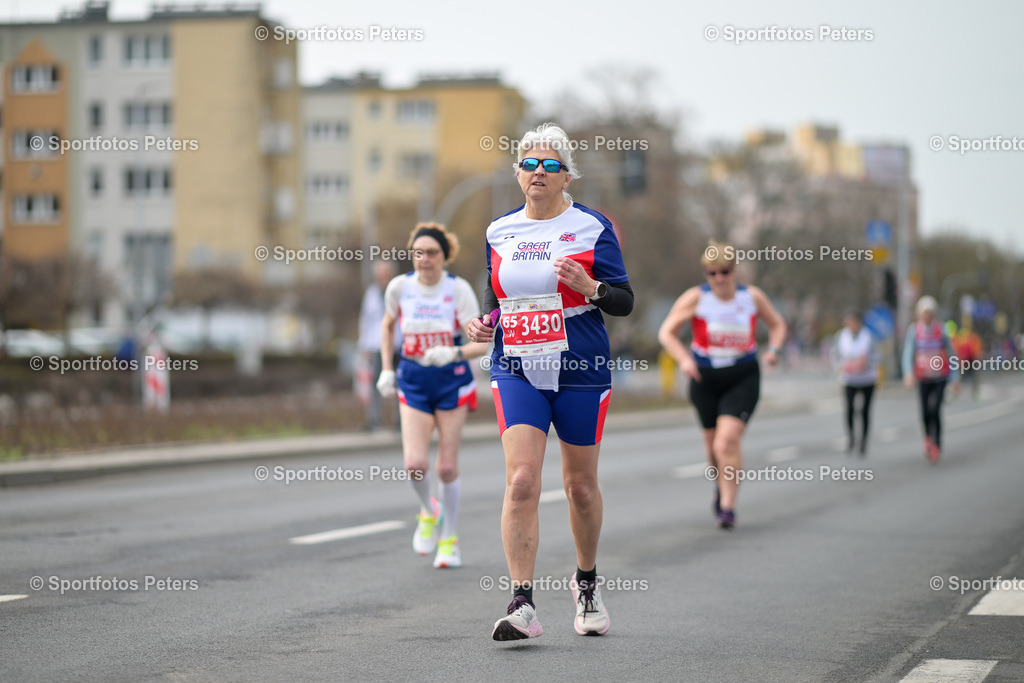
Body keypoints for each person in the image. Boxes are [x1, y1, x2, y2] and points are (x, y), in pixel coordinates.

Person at [466, 123, 633, 641]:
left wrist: (592, 286)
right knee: (520, 481)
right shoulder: (500, 231)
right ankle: (522, 604)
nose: (538, 173)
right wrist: (484, 323)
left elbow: (624, 302)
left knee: (579, 488)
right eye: (529, 164)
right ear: (517, 173)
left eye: (550, 165)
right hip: (516, 363)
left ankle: (586, 583)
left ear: (567, 177)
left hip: (579, 366)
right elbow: (497, 299)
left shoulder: (592, 227)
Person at [377, 223, 488, 569]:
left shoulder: (458, 291)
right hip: (413, 378)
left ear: (444, 256)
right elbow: (387, 325)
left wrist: (453, 354)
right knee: (414, 465)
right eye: (418, 253)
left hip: (450, 378)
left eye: (432, 253)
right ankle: (429, 511)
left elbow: (482, 341)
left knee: (447, 466)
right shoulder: (400, 287)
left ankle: (450, 539)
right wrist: (387, 368)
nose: (425, 260)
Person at [657, 241, 787, 530]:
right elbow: (666, 332)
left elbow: (777, 324)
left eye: (724, 272)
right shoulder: (696, 298)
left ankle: (728, 506)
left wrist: (774, 351)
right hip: (704, 377)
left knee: (726, 442)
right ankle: (721, 485)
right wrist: (684, 360)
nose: (719, 279)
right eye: (711, 273)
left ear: (734, 271)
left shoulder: (751, 297)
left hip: (742, 375)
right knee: (712, 450)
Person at [902, 295, 959, 463]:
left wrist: (955, 378)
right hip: (923, 376)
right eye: (923, 313)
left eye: (929, 313)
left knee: (935, 409)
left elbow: (952, 354)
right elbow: (908, 353)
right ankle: (928, 438)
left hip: (940, 376)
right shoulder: (914, 331)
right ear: (919, 314)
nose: (926, 316)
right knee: (925, 411)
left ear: (933, 314)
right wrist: (908, 373)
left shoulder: (941, 330)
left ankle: (937, 444)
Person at [832, 311, 881, 455]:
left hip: (867, 379)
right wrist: (838, 366)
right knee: (849, 410)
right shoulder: (841, 336)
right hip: (849, 379)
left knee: (865, 411)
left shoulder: (869, 337)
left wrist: (867, 362)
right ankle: (851, 438)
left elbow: (878, 355)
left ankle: (864, 441)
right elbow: (834, 354)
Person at [357, 261, 398, 431]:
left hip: (397, 344)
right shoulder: (371, 293)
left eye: (386, 273)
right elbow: (366, 320)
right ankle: (374, 420)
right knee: (375, 384)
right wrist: (363, 345)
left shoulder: (398, 290)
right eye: (380, 274)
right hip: (376, 345)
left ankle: (400, 421)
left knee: (399, 383)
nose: (382, 277)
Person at [951, 322, 983, 401]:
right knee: (969, 378)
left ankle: (974, 393)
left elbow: (957, 349)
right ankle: (973, 394)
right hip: (967, 361)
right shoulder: (971, 338)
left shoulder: (968, 338)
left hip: (968, 360)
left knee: (970, 378)